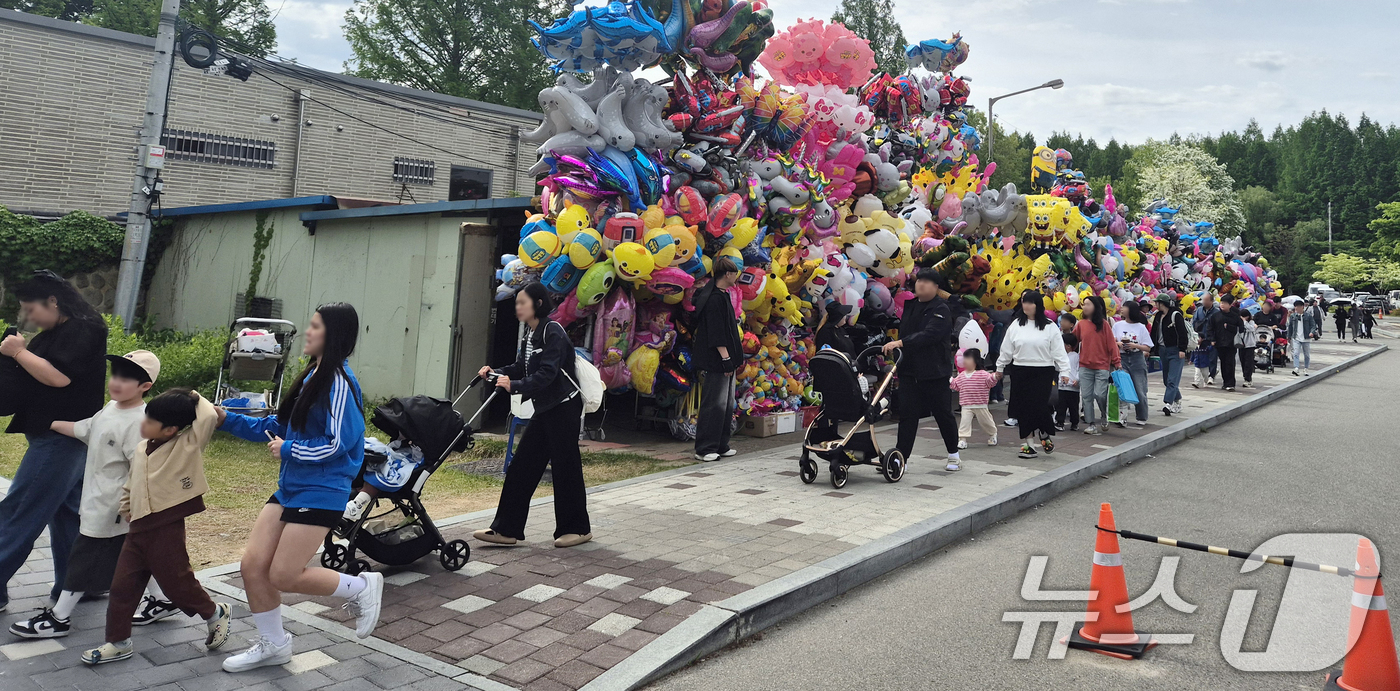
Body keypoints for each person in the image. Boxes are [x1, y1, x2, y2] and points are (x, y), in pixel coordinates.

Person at [218, 303, 382, 672]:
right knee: (253, 565)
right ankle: (274, 645)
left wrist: (289, 448)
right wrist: (225, 419)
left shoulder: (338, 381)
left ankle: (362, 588)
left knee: (284, 574)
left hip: (322, 491)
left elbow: (341, 442)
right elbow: (276, 427)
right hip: (292, 488)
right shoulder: (312, 375)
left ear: (333, 335)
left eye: (315, 326)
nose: (308, 332)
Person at [9, 351, 178, 640]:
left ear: (145, 386)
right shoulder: (111, 408)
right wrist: (47, 423)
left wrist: (130, 505)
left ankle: (59, 617)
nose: (116, 382)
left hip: (113, 506)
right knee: (136, 554)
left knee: (84, 557)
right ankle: (163, 599)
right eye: (115, 374)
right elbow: (86, 429)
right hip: (98, 499)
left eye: (126, 378)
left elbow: (143, 469)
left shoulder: (141, 423)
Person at [80, 389, 233, 664]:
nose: (143, 424)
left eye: (150, 421)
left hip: (166, 525)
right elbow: (131, 482)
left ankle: (214, 613)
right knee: (122, 587)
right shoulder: (141, 448)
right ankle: (118, 642)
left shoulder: (188, 444)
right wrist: (126, 508)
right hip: (138, 527)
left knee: (177, 584)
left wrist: (191, 395)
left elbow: (208, 415)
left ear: (171, 429)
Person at [0, 271, 108, 614]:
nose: (28, 316)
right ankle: (83, 583)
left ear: (53, 301)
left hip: (61, 438)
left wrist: (18, 352)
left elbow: (59, 377)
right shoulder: (60, 330)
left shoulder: (83, 328)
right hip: (60, 435)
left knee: (21, 509)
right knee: (67, 515)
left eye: (30, 309)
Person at [473, 283, 592, 547]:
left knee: (565, 468)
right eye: (516, 303)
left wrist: (513, 386)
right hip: (546, 408)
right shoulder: (530, 334)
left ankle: (578, 529)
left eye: (522, 302)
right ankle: (506, 529)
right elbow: (520, 367)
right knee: (522, 467)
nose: (517, 307)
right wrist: (495, 372)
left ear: (538, 304)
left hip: (563, 407)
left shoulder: (553, 332)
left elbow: (547, 375)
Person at [884, 269, 959, 469]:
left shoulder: (941, 309)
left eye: (927, 282)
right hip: (909, 371)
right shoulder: (910, 306)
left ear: (936, 287)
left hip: (934, 372)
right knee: (907, 415)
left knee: (943, 414)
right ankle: (902, 459)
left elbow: (930, 335)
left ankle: (954, 454)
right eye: (919, 281)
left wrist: (900, 343)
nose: (921, 285)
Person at [995, 291, 1069, 459]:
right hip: (1020, 370)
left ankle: (1044, 432)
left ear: (1038, 305)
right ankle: (1029, 445)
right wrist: (1000, 367)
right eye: (1024, 302)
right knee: (1023, 408)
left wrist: (1064, 371)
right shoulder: (1016, 325)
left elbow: (1058, 351)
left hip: (1043, 371)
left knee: (1039, 406)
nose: (1026, 305)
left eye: (1030, 302)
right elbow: (1006, 349)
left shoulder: (1050, 326)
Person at [691, 257, 743, 462]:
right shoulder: (713, 299)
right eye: (735, 273)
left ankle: (721, 444)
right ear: (728, 274)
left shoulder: (722, 295)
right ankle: (705, 447)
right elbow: (716, 333)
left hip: (726, 359)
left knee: (726, 403)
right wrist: (726, 358)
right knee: (714, 404)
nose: (736, 276)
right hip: (717, 360)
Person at [1071, 295, 1120, 435]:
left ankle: (1104, 416)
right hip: (1084, 366)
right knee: (1086, 396)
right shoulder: (1080, 324)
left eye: (1088, 304)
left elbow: (1111, 344)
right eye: (1084, 304)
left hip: (1102, 366)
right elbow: (1073, 341)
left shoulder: (1104, 324)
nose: (1085, 307)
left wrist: (1117, 361)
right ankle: (1091, 424)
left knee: (1100, 394)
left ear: (1095, 307)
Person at [948, 349, 998, 463]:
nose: (965, 361)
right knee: (964, 422)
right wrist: (949, 379)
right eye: (964, 358)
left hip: (980, 404)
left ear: (975, 360)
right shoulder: (962, 375)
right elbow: (956, 385)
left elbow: (990, 381)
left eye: (968, 358)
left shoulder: (983, 374)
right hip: (966, 404)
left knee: (986, 421)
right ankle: (962, 439)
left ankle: (992, 434)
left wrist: (995, 376)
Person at [1113, 300, 1153, 426]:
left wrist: (1135, 345)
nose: (1122, 309)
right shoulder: (1117, 325)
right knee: (1122, 388)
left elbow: (1148, 347)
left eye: (1124, 307)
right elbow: (1112, 342)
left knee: (1139, 389)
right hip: (1122, 358)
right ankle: (1121, 417)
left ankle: (1141, 416)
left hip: (1137, 359)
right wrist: (1119, 344)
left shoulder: (1141, 327)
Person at [1150, 293, 1188, 416]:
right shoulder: (1158, 316)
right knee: (1167, 379)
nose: (1155, 304)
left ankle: (1168, 403)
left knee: (1172, 378)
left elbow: (1183, 333)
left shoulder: (1175, 315)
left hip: (1175, 350)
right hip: (1162, 350)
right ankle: (1177, 400)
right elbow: (1154, 333)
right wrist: (1151, 349)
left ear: (1163, 303)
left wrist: (1182, 349)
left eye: (1157, 302)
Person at [1211, 294, 1243, 392]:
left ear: (1230, 305)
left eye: (1225, 303)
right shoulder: (1216, 315)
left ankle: (1231, 383)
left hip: (1231, 343)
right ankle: (1225, 382)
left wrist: (1229, 327)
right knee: (1223, 363)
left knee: (1230, 363)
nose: (1222, 305)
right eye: (1221, 303)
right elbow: (1211, 328)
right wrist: (1212, 339)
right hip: (1219, 343)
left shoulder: (1235, 316)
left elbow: (1241, 329)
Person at [1191, 293, 1220, 387]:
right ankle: (1201, 378)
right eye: (1203, 300)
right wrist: (1196, 337)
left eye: (1207, 300)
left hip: (1212, 338)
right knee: (1200, 358)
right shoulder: (1199, 311)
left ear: (1212, 301)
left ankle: (1211, 375)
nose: (1204, 302)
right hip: (1200, 338)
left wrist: (1214, 338)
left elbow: (1218, 327)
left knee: (1212, 357)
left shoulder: (1216, 312)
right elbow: (1194, 324)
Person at [1055, 334, 1081, 432]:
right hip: (1062, 386)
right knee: (1061, 406)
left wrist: (1077, 379)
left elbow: (1079, 369)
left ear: (1068, 346)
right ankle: (1060, 422)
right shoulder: (1061, 356)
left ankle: (1074, 423)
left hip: (1073, 386)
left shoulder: (1076, 356)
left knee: (1073, 407)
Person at [1287, 300, 1318, 375]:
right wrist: (1289, 336)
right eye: (1295, 306)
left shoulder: (1308, 316)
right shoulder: (1293, 316)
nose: (1296, 308)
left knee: (1306, 354)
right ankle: (1296, 368)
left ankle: (1306, 368)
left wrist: (1311, 332)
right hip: (1296, 337)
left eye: (1298, 306)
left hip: (1306, 338)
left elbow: (1313, 325)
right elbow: (1290, 327)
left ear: (1302, 307)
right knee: (1296, 353)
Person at [1238, 310, 1258, 389]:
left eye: (1245, 316)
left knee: (1248, 362)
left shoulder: (1251, 322)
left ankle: (1248, 379)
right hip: (1241, 344)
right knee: (1242, 361)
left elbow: (1251, 329)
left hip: (1250, 345)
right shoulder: (1239, 322)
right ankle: (1245, 376)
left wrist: (1244, 322)